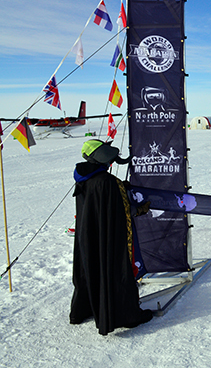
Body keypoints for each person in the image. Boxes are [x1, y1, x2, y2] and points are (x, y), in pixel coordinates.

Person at [70, 139, 153, 335]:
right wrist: (140, 209)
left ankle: (83, 310)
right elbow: (124, 212)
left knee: (89, 267)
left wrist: (120, 190)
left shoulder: (83, 177)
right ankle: (126, 315)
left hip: (87, 236)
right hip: (108, 238)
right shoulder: (108, 182)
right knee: (114, 268)